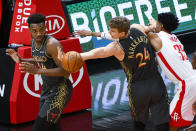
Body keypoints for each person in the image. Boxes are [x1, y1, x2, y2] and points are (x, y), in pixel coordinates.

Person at [58, 16, 170, 131]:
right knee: (162, 121)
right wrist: (153, 26)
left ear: (121, 33)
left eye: (112, 31)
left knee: (140, 123)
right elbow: (151, 28)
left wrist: (67, 58)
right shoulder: (137, 28)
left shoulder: (117, 47)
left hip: (138, 87)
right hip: (156, 82)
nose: (110, 33)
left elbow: (94, 53)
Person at [6, 13, 73, 131]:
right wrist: (21, 60)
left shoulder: (52, 44)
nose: (38, 34)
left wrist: (37, 71)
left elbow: (66, 71)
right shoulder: (33, 42)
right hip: (47, 90)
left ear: (46, 28)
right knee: (52, 127)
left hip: (60, 91)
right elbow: (41, 59)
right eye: (35, 31)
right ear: (29, 30)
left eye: (41, 30)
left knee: (39, 128)